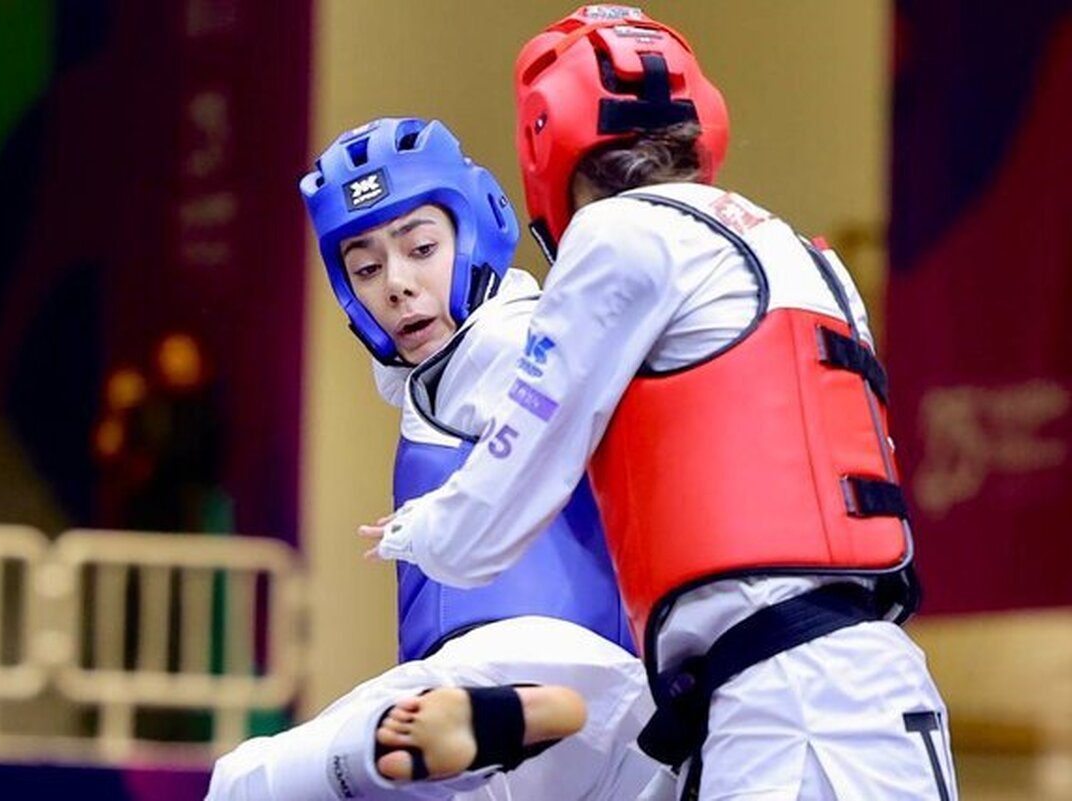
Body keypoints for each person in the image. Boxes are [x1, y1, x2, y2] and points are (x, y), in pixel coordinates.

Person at [361, 7, 960, 801]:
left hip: (792, 715)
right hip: (874, 692)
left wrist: (416, 530)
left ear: (546, 145)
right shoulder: (803, 253)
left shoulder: (619, 237)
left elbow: (497, 508)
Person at [205, 116, 663, 801]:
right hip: (616, 730)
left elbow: (557, 377)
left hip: (508, 677)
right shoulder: (460, 371)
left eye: (421, 246)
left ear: (481, 226)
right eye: (365, 268)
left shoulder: (507, 342)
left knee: (246, 785)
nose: (395, 283)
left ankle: (431, 730)